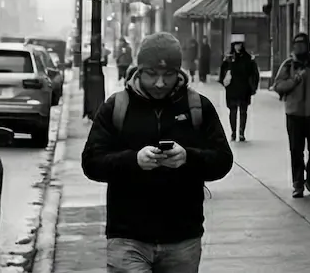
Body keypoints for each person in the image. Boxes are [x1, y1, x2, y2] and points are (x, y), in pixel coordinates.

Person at [81, 32, 235, 273]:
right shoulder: (116, 107)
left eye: (169, 75)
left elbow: (223, 160)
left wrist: (188, 158)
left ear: (179, 72)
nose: (161, 83)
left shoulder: (198, 107)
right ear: (138, 70)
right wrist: (134, 160)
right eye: (152, 74)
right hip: (128, 236)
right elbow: (91, 162)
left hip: (182, 237)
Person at [270, 31, 310, 198]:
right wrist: (295, 80)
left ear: (308, 45)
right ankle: (298, 184)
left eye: (303, 44)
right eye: (297, 44)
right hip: (295, 114)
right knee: (296, 151)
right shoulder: (288, 65)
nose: (300, 47)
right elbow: (278, 86)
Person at [218, 38, 260, 142]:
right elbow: (222, 74)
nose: (238, 47)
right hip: (232, 89)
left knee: (243, 111)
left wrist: (253, 87)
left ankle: (241, 132)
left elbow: (254, 73)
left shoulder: (248, 58)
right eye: (236, 45)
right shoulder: (228, 59)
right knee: (232, 111)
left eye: (239, 44)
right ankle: (233, 132)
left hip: (244, 89)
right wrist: (225, 81)